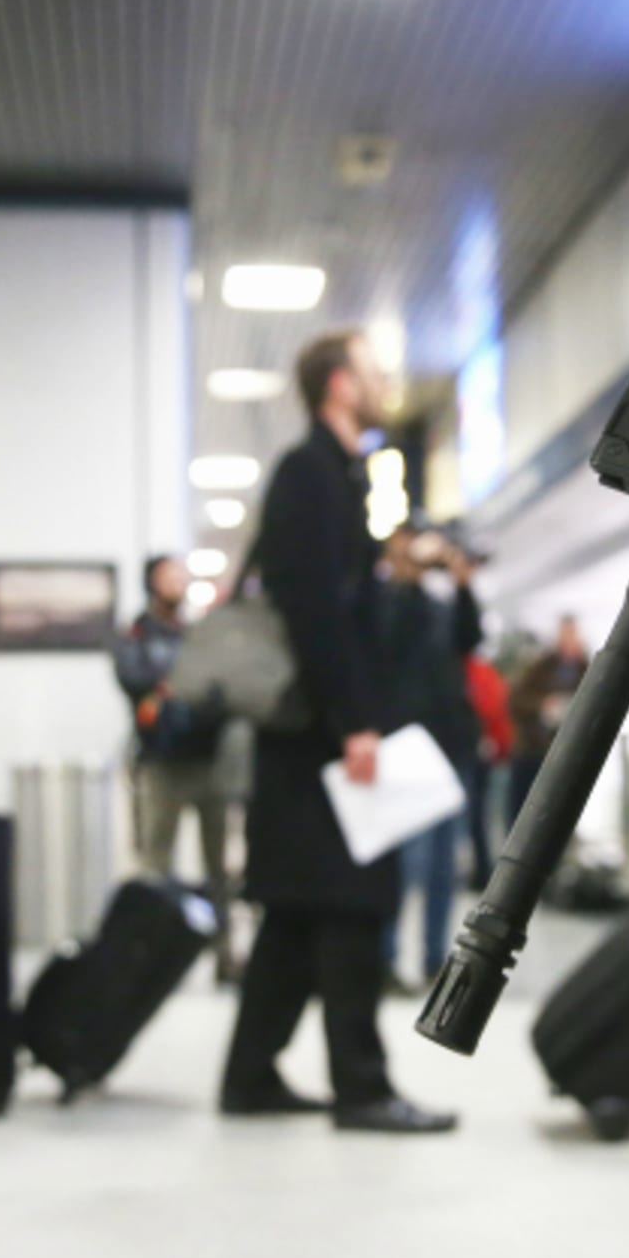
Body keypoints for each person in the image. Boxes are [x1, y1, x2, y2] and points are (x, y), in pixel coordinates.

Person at [218, 331, 457, 1133]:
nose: (384, 377)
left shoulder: (338, 473)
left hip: (312, 732)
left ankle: (248, 1076)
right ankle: (361, 1087)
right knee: (354, 904)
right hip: (322, 732)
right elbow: (316, 611)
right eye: (371, 366)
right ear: (335, 383)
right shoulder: (309, 472)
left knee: (294, 910)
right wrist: (356, 724)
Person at [113, 555, 239, 982]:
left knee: (217, 868)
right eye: (169, 574)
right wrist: (178, 685)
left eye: (182, 575)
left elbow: (219, 687)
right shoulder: (135, 634)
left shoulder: (199, 634)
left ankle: (224, 954)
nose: (178, 582)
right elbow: (134, 679)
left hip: (207, 760)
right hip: (161, 763)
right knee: (156, 865)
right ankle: (150, 958)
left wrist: (170, 688)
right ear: (151, 581)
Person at [375, 525, 482, 989]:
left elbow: (468, 638)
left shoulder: (441, 606)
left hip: (451, 743)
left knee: (443, 865)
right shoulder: (385, 600)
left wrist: (461, 584)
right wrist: (406, 577)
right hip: (405, 747)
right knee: (405, 863)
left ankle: (434, 958)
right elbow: (389, 642)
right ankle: (386, 957)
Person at [506, 615, 589, 829]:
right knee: (522, 810)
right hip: (533, 749)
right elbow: (516, 700)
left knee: (556, 815)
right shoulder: (540, 667)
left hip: (565, 753)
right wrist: (543, 706)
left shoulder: (585, 670)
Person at [462, 648, 514, 892]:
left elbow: (494, 710)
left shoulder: (478, 673)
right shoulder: (481, 673)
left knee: (477, 816)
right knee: (478, 816)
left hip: (478, 755)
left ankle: (482, 871)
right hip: (478, 753)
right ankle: (480, 870)